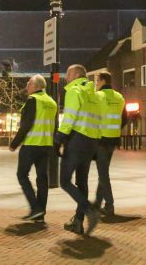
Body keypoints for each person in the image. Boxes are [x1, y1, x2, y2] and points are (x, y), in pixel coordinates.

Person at [55, 64, 102, 236]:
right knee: (82, 182)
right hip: (91, 142)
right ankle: (78, 222)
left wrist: (58, 139)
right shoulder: (94, 94)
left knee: (64, 181)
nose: (65, 78)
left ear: (75, 75)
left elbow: (69, 118)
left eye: (68, 74)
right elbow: (99, 119)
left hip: (76, 141)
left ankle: (90, 210)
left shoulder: (74, 91)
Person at [9, 75, 57, 223]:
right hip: (46, 145)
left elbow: (26, 125)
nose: (27, 87)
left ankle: (35, 208)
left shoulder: (33, 100)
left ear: (37, 86)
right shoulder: (52, 102)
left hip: (31, 145)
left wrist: (14, 143)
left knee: (22, 175)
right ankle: (40, 213)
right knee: (42, 179)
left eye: (29, 84)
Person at [92, 71, 127, 216]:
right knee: (103, 171)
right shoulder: (119, 97)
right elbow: (124, 119)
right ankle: (97, 203)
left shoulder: (98, 96)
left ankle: (109, 205)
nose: (95, 84)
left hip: (100, 139)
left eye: (97, 81)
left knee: (103, 174)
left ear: (103, 81)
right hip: (113, 139)